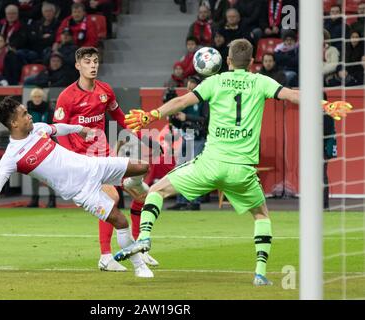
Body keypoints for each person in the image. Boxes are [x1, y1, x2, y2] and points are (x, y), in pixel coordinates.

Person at [115, 38, 352, 285]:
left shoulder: (214, 82)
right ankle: (260, 273)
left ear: (227, 61)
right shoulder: (261, 81)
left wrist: (151, 115)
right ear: (252, 62)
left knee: (156, 190)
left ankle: (144, 237)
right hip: (242, 170)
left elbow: (181, 102)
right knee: (261, 216)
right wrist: (324, 104)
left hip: (210, 164)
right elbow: (292, 95)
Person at [0, 96, 154, 278]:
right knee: (121, 221)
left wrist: (79, 129)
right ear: (14, 123)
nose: (30, 115)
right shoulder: (12, 157)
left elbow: (59, 128)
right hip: (82, 191)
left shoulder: (38, 129)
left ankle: (132, 184)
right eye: (24, 114)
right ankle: (140, 266)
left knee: (142, 166)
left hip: (91, 166)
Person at [53, 46, 160, 271]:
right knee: (111, 198)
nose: (93, 65)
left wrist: (143, 136)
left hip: (104, 154)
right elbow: (58, 129)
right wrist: (69, 158)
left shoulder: (105, 91)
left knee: (143, 195)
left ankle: (141, 246)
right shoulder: (67, 97)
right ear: (77, 65)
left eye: (95, 61)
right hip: (83, 160)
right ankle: (105, 255)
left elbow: (121, 118)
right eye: (87, 62)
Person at [167, 75, 209, 211]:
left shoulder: (204, 101)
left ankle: (194, 201)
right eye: (188, 89)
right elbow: (179, 123)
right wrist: (173, 117)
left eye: (193, 89)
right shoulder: (186, 102)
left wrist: (186, 117)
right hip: (187, 137)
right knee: (180, 169)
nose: (190, 92)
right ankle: (181, 200)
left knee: (193, 170)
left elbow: (205, 120)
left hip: (198, 138)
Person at [26, 88, 57, 208]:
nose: (37, 99)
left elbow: (52, 126)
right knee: (33, 172)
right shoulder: (27, 110)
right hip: (31, 144)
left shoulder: (49, 110)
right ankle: (34, 199)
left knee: (48, 173)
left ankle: (52, 199)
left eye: (39, 97)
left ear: (42, 98)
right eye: (35, 97)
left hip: (46, 143)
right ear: (32, 98)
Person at [323, 92, 337, 210]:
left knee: (321, 176)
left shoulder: (326, 114)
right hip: (323, 148)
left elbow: (326, 133)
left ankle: (323, 204)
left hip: (322, 149)